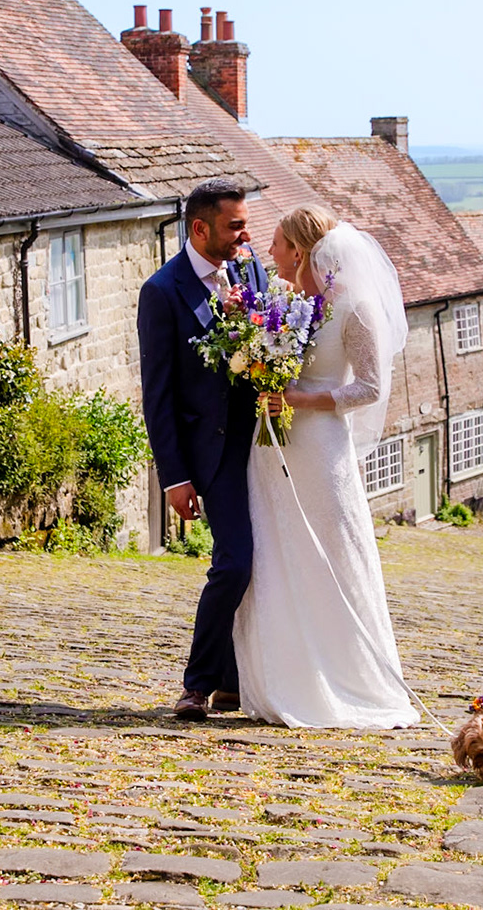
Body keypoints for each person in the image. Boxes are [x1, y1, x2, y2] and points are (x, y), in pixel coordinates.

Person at [232, 204, 418, 728]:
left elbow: (371, 387)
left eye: (278, 243)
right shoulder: (287, 304)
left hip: (320, 447)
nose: (270, 253)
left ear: (300, 249)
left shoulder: (354, 307)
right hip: (271, 447)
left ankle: (346, 676)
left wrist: (299, 400)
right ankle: (279, 677)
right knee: (275, 549)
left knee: (332, 554)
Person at [136, 178, 270, 720]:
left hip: (263, 444)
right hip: (208, 454)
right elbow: (157, 393)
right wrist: (175, 477)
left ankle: (235, 682)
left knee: (262, 563)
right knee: (234, 562)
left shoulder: (250, 268)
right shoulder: (162, 292)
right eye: (235, 225)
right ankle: (197, 683)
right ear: (200, 228)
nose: (246, 234)